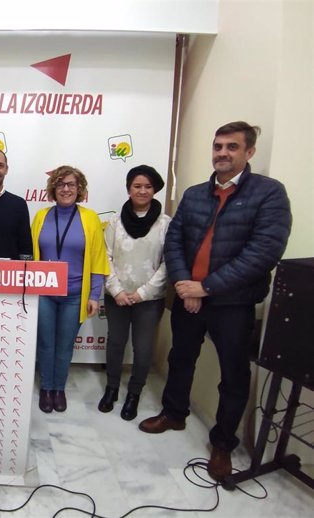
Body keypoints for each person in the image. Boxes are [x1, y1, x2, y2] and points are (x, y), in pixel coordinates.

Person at [138, 122, 292, 483]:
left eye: (232, 147)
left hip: (233, 304)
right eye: (218, 146)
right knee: (181, 359)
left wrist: (204, 288)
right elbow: (174, 242)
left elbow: (263, 252)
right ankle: (174, 413)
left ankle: (223, 442)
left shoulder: (269, 194)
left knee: (233, 375)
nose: (222, 153)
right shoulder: (193, 194)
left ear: (249, 152)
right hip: (190, 296)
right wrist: (184, 285)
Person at [31, 165, 109, 413]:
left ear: (80, 190)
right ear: (53, 188)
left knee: (65, 345)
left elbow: (97, 258)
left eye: (71, 185)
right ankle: (45, 388)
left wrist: (94, 295)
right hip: (43, 293)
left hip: (75, 294)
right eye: (61, 184)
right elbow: (32, 255)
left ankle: (58, 389)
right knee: (45, 343)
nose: (66, 189)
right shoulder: (41, 216)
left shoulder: (90, 218)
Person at [98, 165, 171, 421]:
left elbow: (168, 263)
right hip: (116, 296)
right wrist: (117, 290)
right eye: (137, 186)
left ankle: (134, 394)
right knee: (116, 343)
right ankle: (112, 388)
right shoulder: (115, 223)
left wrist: (142, 293)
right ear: (128, 188)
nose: (142, 191)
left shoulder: (165, 224)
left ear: (155, 190)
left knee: (142, 348)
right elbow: (104, 258)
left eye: (147, 186)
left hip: (148, 300)